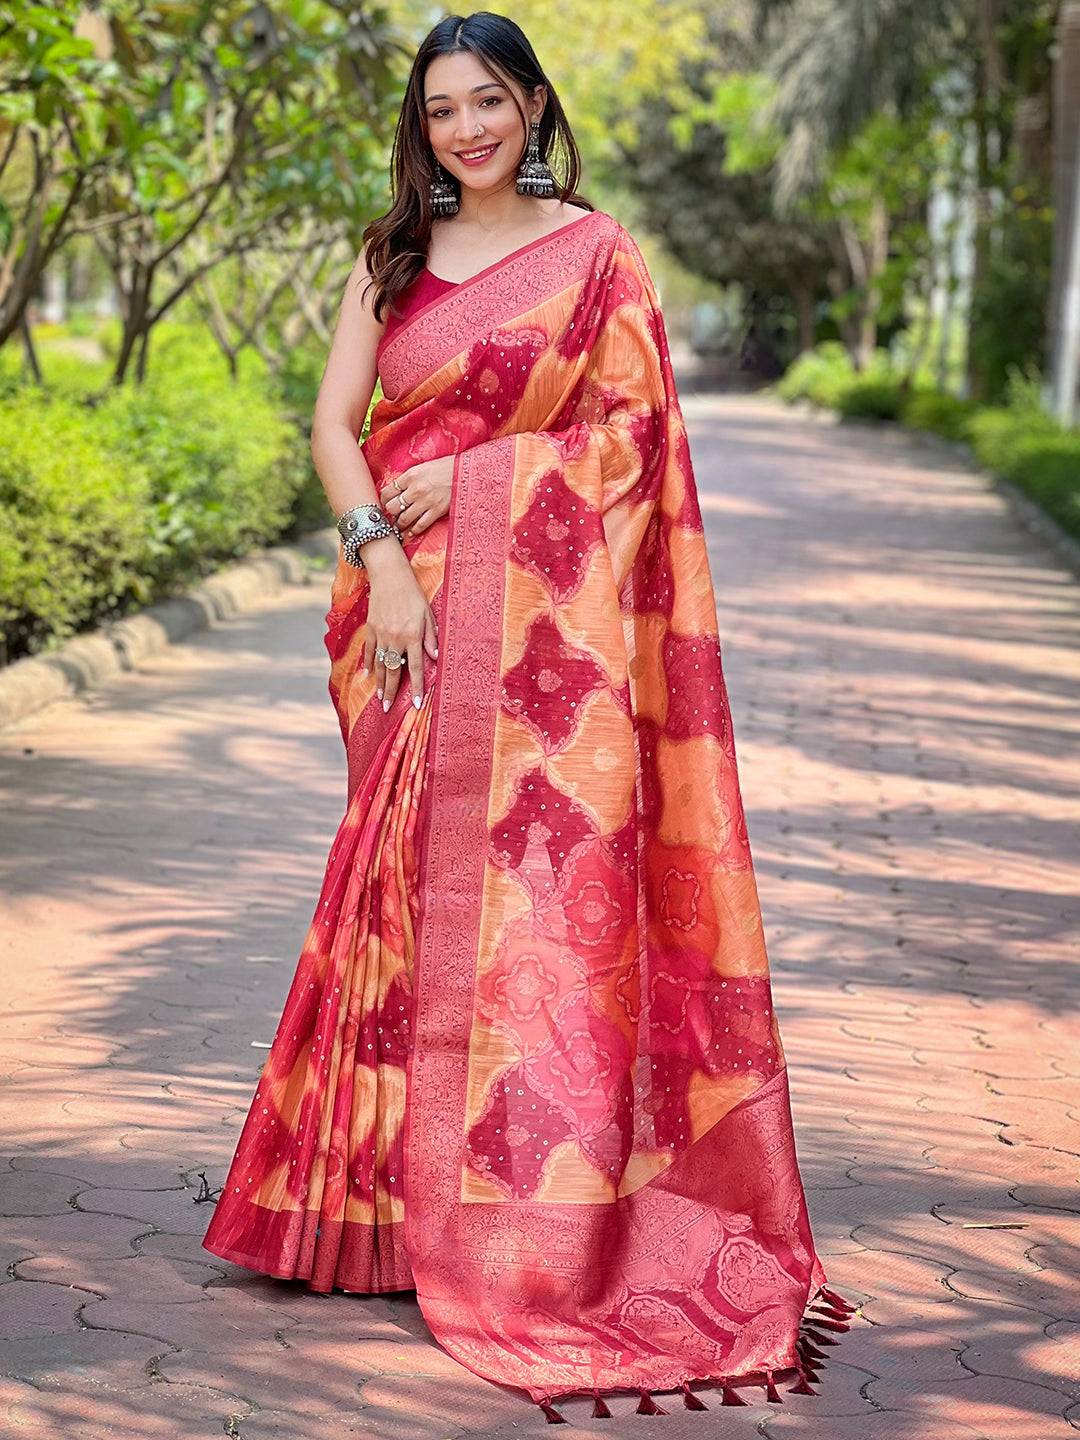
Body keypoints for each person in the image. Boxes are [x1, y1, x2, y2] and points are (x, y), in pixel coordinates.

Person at [201, 9, 858, 1421]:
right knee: (392, 889)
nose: (466, 130)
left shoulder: (597, 255)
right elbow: (332, 423)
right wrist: (382, 555)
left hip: (532, 628)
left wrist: (491, 476)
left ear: (534, 103)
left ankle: (495, 1220)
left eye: (487, 102)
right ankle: (365, 1211)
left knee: (510, 911)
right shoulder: (390, 257)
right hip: (406, 612)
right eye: (441, 110)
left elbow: (632, 439)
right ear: (419, 127)